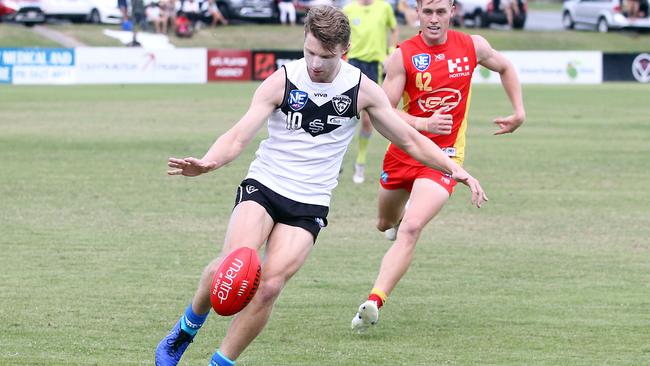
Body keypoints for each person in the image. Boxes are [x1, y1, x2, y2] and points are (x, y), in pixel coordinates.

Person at [155, 5, 487, 366]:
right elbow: (238, 135)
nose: (315, 64)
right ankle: (185, 331)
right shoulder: (282, 80)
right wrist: (209, 162)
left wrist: (456, 170)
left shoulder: (362, 91)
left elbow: (410, 140)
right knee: (232, 265)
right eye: (310, 52)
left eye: (325, 57)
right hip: (265, 185)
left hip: (310, 203)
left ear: (343, 52)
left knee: (268, 288)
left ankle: (220, 363)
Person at [350, 0, 525, 333]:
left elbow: (505, 67)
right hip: (402, 154)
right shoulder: (402, 55)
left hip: (444, 158)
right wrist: (423, 123)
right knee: (385, 223)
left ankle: (374, 301)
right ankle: (394, 224)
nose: (433, 19)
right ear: (417, 12)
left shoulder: (472, 46)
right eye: (427, 12)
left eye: (440, 12)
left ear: (453, 12)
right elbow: (380, 110)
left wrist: (519, 111)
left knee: (412, 227)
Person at [343, 0, 398, 184]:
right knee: (343, 116)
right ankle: (335, 160)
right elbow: (339, 35)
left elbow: (394, 29)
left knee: (368, 119)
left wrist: (390, 52)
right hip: (353, 65)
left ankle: (360, 161)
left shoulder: (384, 7)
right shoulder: (348, 10)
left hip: (374, 67)